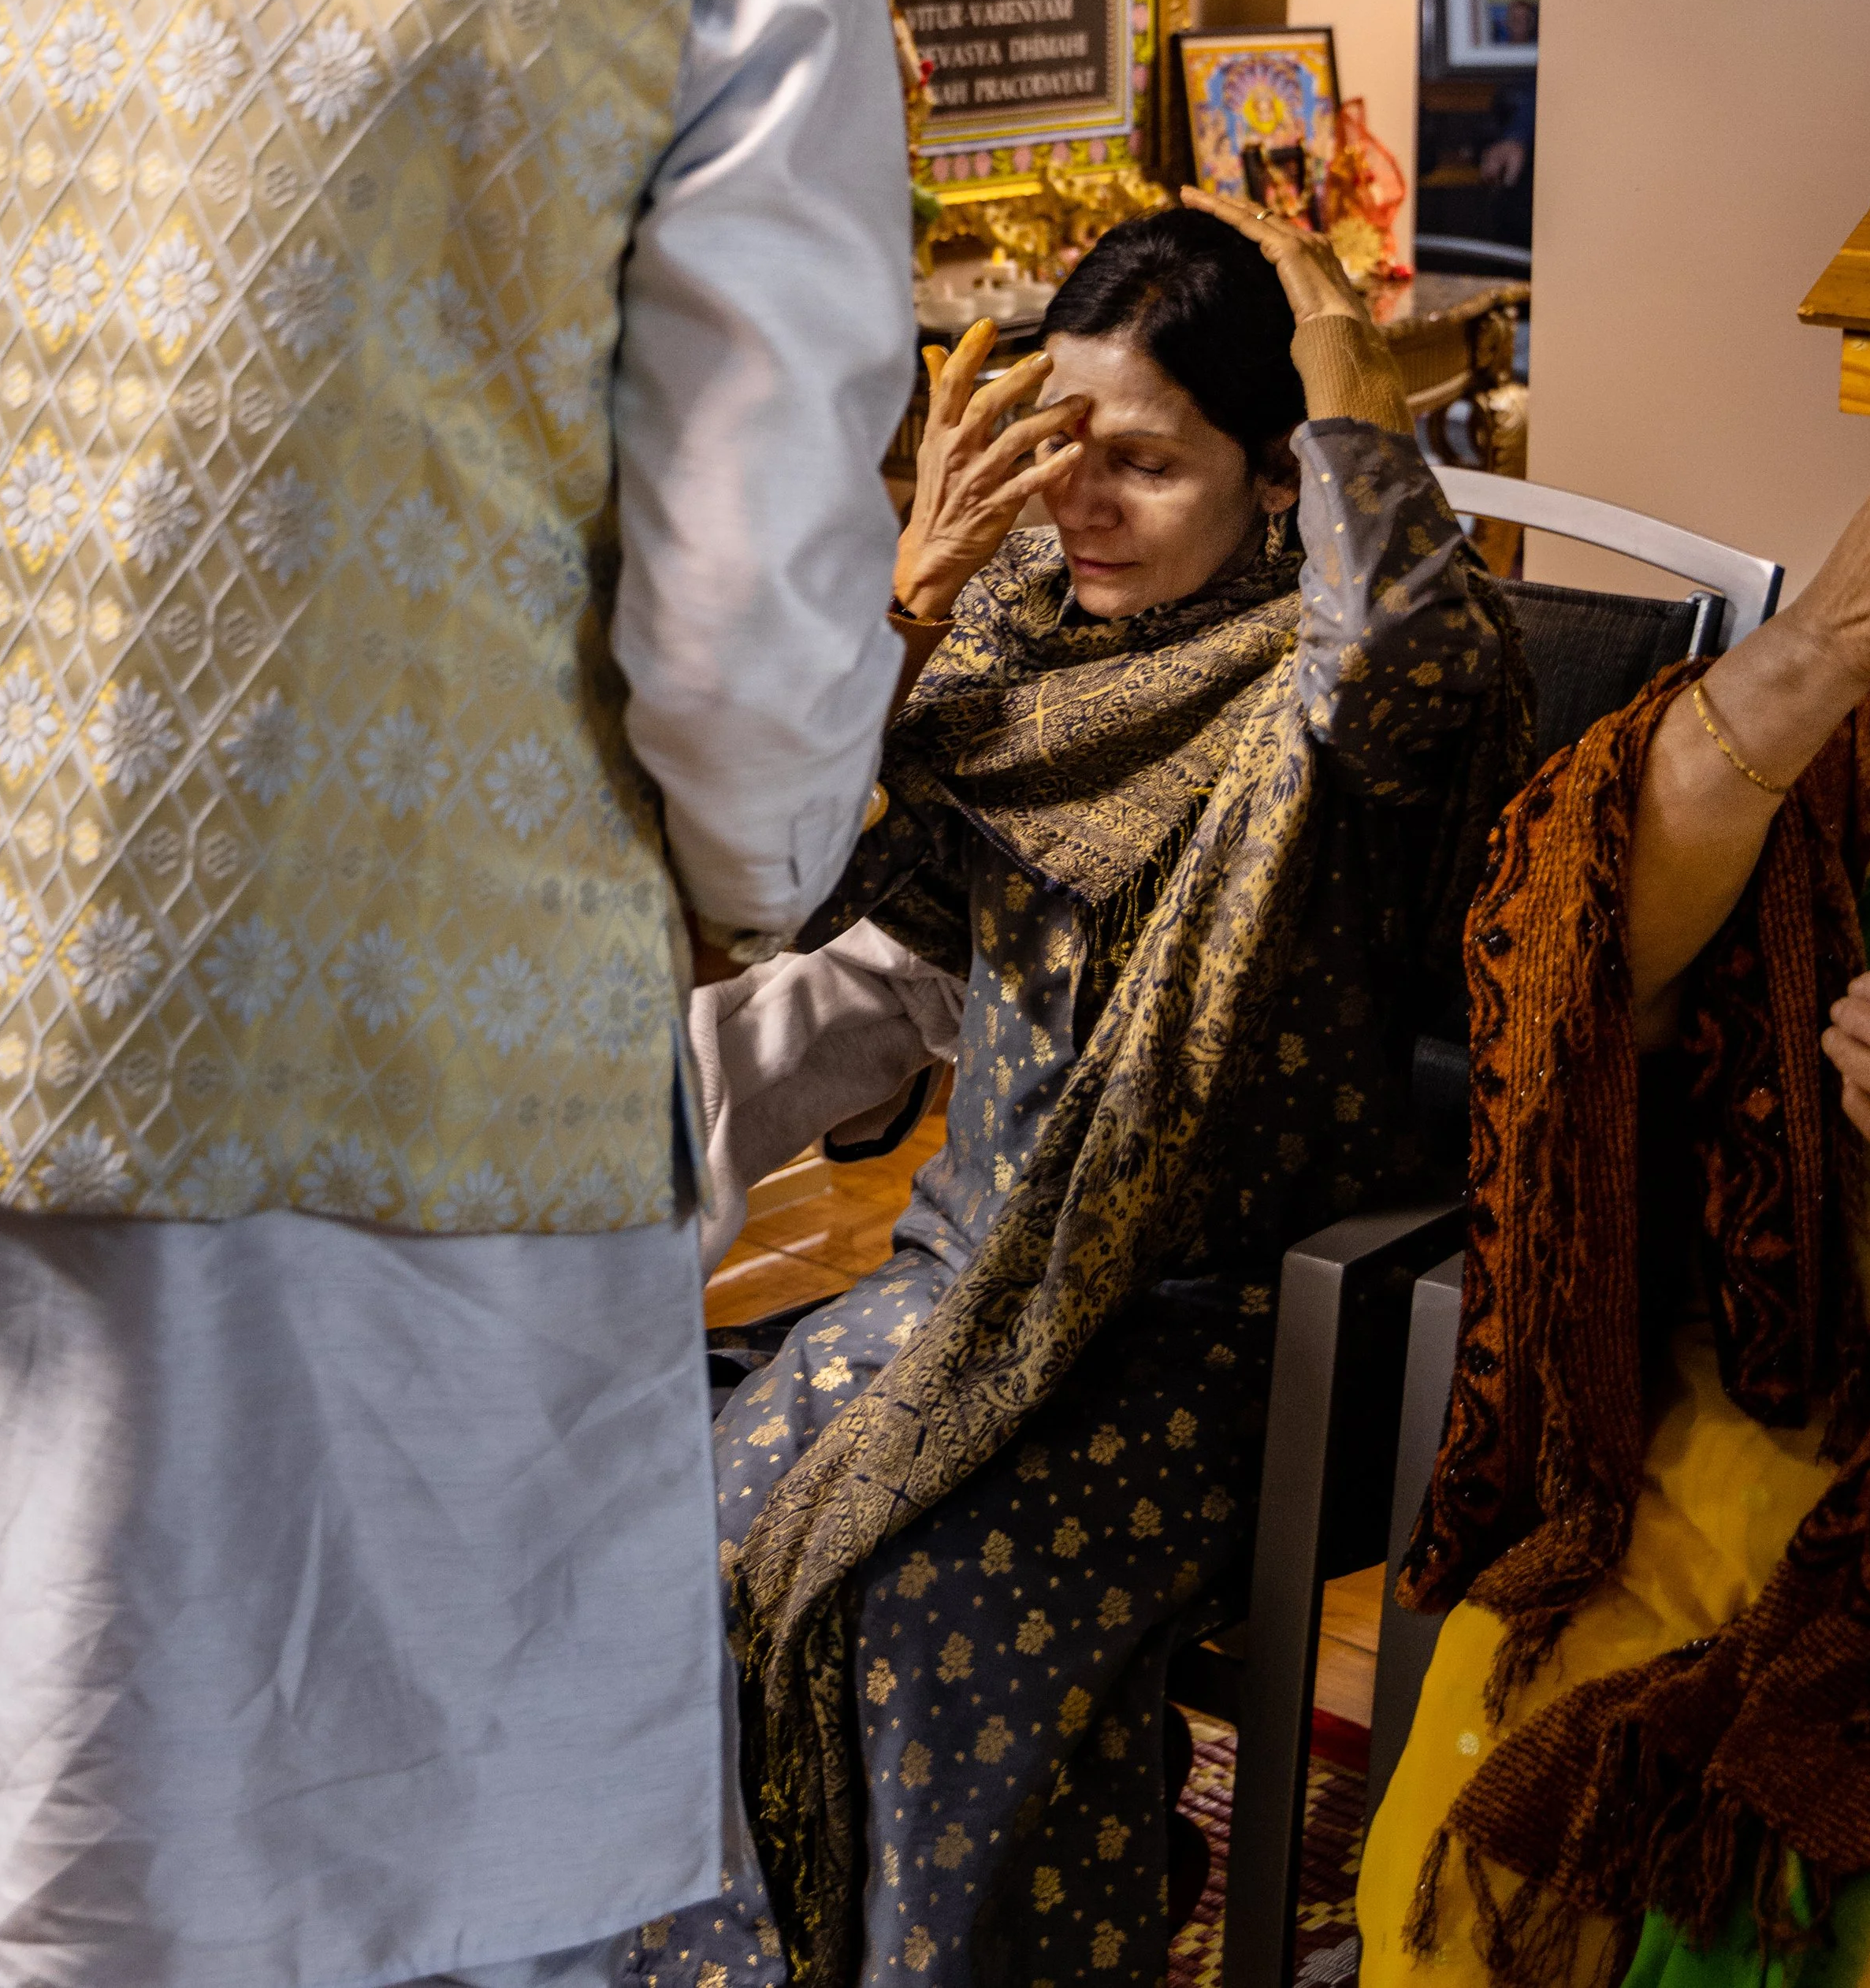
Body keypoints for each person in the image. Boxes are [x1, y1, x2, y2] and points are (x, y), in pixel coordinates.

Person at [0, 0, 913, 1988]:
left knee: (13, 1828)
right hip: (420, 1112)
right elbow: (741, 630)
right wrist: (755, 891)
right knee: (387, 1881)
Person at [649, 195, 1532, 1988]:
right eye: (1061, 447)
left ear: (1288, 476)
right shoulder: (1023, 624)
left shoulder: (1348, 695)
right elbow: (812, 898)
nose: (1078, 503)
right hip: (960, 1282)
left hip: (1219, 1341)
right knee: (683, 1570)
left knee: (932, 1618)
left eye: (1143, 461)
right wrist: (902, 607)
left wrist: (1361, 391)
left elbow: (1414, 658)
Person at [1358, 487, 1870, 1988]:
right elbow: (1581, 949)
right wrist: (1832, 638)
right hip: (1784, 1400)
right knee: (1485, 1825)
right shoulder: (1845, 730)